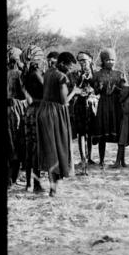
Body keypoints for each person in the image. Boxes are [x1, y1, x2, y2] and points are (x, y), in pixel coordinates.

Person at [36, 52, 79, 196]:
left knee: (50, 149)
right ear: (61, 64)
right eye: (69, 66)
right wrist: (75, 91)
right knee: (58, 148)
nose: (70, 69)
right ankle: (53, 188)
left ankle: (52, 186)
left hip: (43, 111)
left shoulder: (48, 73)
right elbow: (64, 101)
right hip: (55, 114)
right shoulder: (62, 77)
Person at [92, 48, 124, 168]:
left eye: (112, 60)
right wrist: (99, 87)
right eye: (108, 60)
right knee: (102, 132)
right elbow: (95, 91)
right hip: (103, 105)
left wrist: (118, 88)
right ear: (103, 61)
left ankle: (120, 160)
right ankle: (101, 160)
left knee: (119, 132)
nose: (110, 62)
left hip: (116, 105)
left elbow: (124, 91)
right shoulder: (97, 74)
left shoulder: (119, 74)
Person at [21, 45, 45, 192]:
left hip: (29, 111)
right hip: (38, 111)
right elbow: (46, 90)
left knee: (29, 148)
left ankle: (29, 183)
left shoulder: (25, 73)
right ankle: (36, 184)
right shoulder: (36, 73)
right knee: (36, 149)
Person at [69, 51, 98, 168]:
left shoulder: (96, 73)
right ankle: (83, 158)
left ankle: (89, 156)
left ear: (90, 59)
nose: (82, 63)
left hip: (92, 104)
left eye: (84, 60)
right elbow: (74, 88)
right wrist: (81, 79)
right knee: (81, 132)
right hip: (80, 104)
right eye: (80, 61)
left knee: (90, 132)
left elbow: (98, 88)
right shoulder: (76, 74)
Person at [7, 46, 27, 186]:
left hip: (12, 108)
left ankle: (11, 178)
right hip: (16, 109)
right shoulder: (19, 74)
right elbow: (23, 94)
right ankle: (13, 177)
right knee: (16, 142)